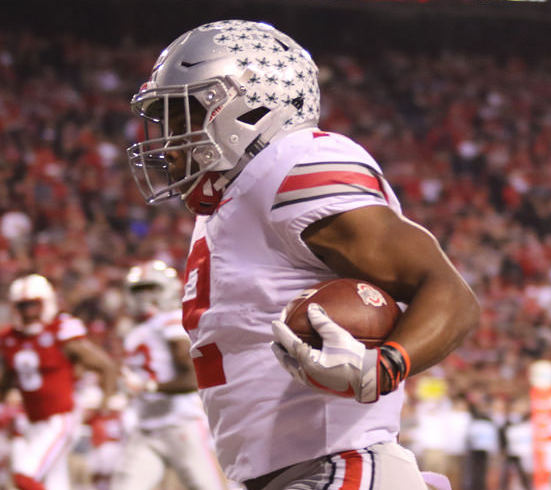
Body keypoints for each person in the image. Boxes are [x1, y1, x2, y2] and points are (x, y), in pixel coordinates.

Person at [125, 19, 479, 490]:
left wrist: (384, 365)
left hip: (339, 467)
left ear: (247, 105)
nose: (168, 142)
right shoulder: (230, 199)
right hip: (292, 475)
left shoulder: (290, 164)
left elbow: (449, 293)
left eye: (182, 115)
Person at [112, 260, 226, 490]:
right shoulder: (136, 330)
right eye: (138, 291)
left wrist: (148, 387)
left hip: (180, 422)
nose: (144, 297)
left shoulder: (170, 320)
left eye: (150, 289)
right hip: (146, 425)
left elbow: (192, 378)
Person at [0, 273, 118, 490]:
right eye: (23, 306)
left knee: (24, 477)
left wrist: (104, 402)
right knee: (54, 483)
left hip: (59, 419)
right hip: (33, 421)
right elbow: (8, 378)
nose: (28, 312)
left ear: (46, 303)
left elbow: (105, 366)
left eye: (33, 305)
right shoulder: (10, 338)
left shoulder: (60, 331)